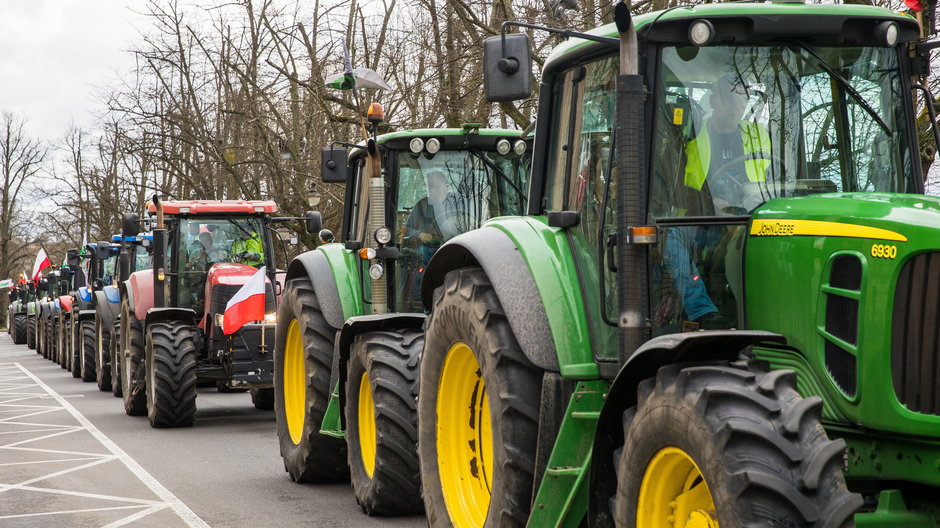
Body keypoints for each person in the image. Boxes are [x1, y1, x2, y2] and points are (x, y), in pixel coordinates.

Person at [666, 74, 772, 329]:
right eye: (731, 99)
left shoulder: (758, 135)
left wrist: (750, 202)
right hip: (706, 220)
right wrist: (708, 203)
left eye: (742, 100)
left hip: (749, 218)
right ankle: (703, 311)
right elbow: (679, 183)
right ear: (714, 100)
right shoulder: (692, 133)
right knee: (672, 236)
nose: (738, 106)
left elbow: (772, 179)